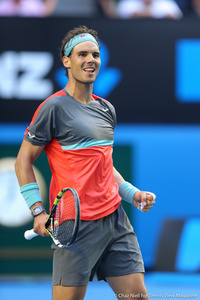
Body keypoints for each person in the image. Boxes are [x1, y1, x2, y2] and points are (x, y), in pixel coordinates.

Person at [15, 25, 156, 300]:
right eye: (82, 54)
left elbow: (104, 166)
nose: (90, 60)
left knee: (138, 297)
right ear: (66, 61)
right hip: (75, 226)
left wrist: (131, 193)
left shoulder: (106, 108)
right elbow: (23, 162)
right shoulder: (52, 108)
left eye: (95, 54)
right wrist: (38, 211)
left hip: (116, 222)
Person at [117, 0, 183, 19]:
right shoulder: (127, 3)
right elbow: (117, 16)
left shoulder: (166, 3)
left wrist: (154, 14)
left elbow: (178, 16)